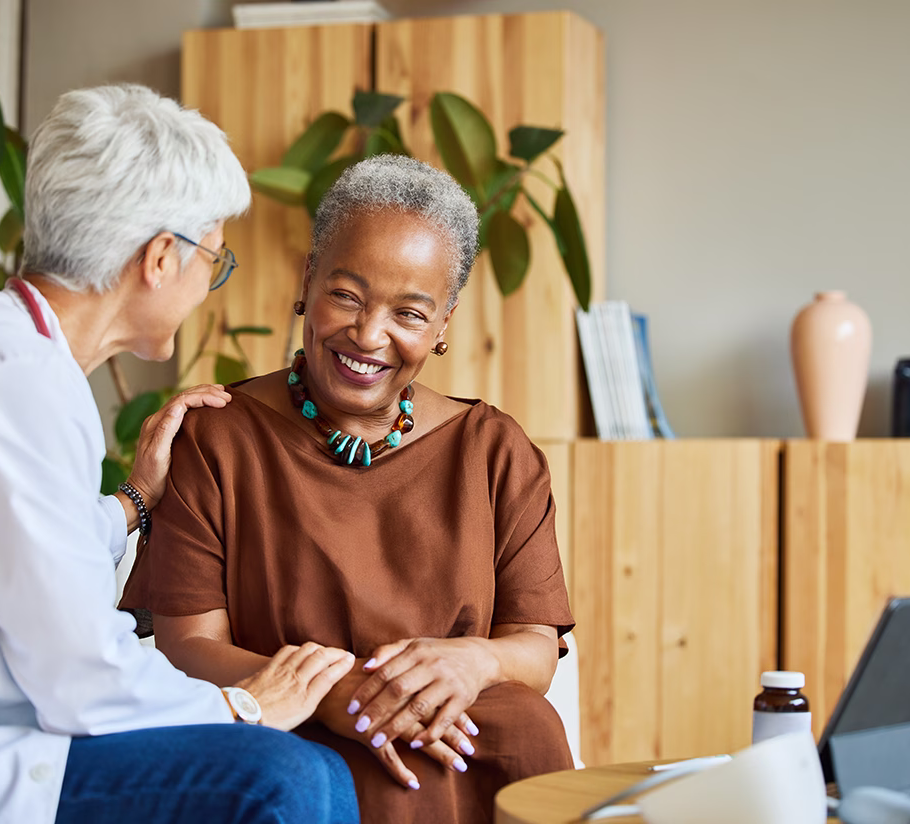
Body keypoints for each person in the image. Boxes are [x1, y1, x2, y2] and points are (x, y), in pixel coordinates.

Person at [0, 84, 360, 824]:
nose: (211, 286)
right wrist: (243, 703)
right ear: (161, 257)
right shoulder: (12, 377)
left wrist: (135, 498)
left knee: (316, 773)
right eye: (215, 261)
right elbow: (81, 674)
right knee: (282, 780)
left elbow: (30, 554)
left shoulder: (4, 350)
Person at [119, 154, 576, 823]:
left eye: (409, 314)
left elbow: (535, 649)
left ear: (444, 323)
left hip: (465, 733)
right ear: (309, 278)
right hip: (298, 729)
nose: (368, 335)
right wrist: (335, 693)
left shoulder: (495, 451)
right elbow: (188, 646)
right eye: (347, 296)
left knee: (526, 723)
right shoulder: (217, 438)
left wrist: (471, 663)